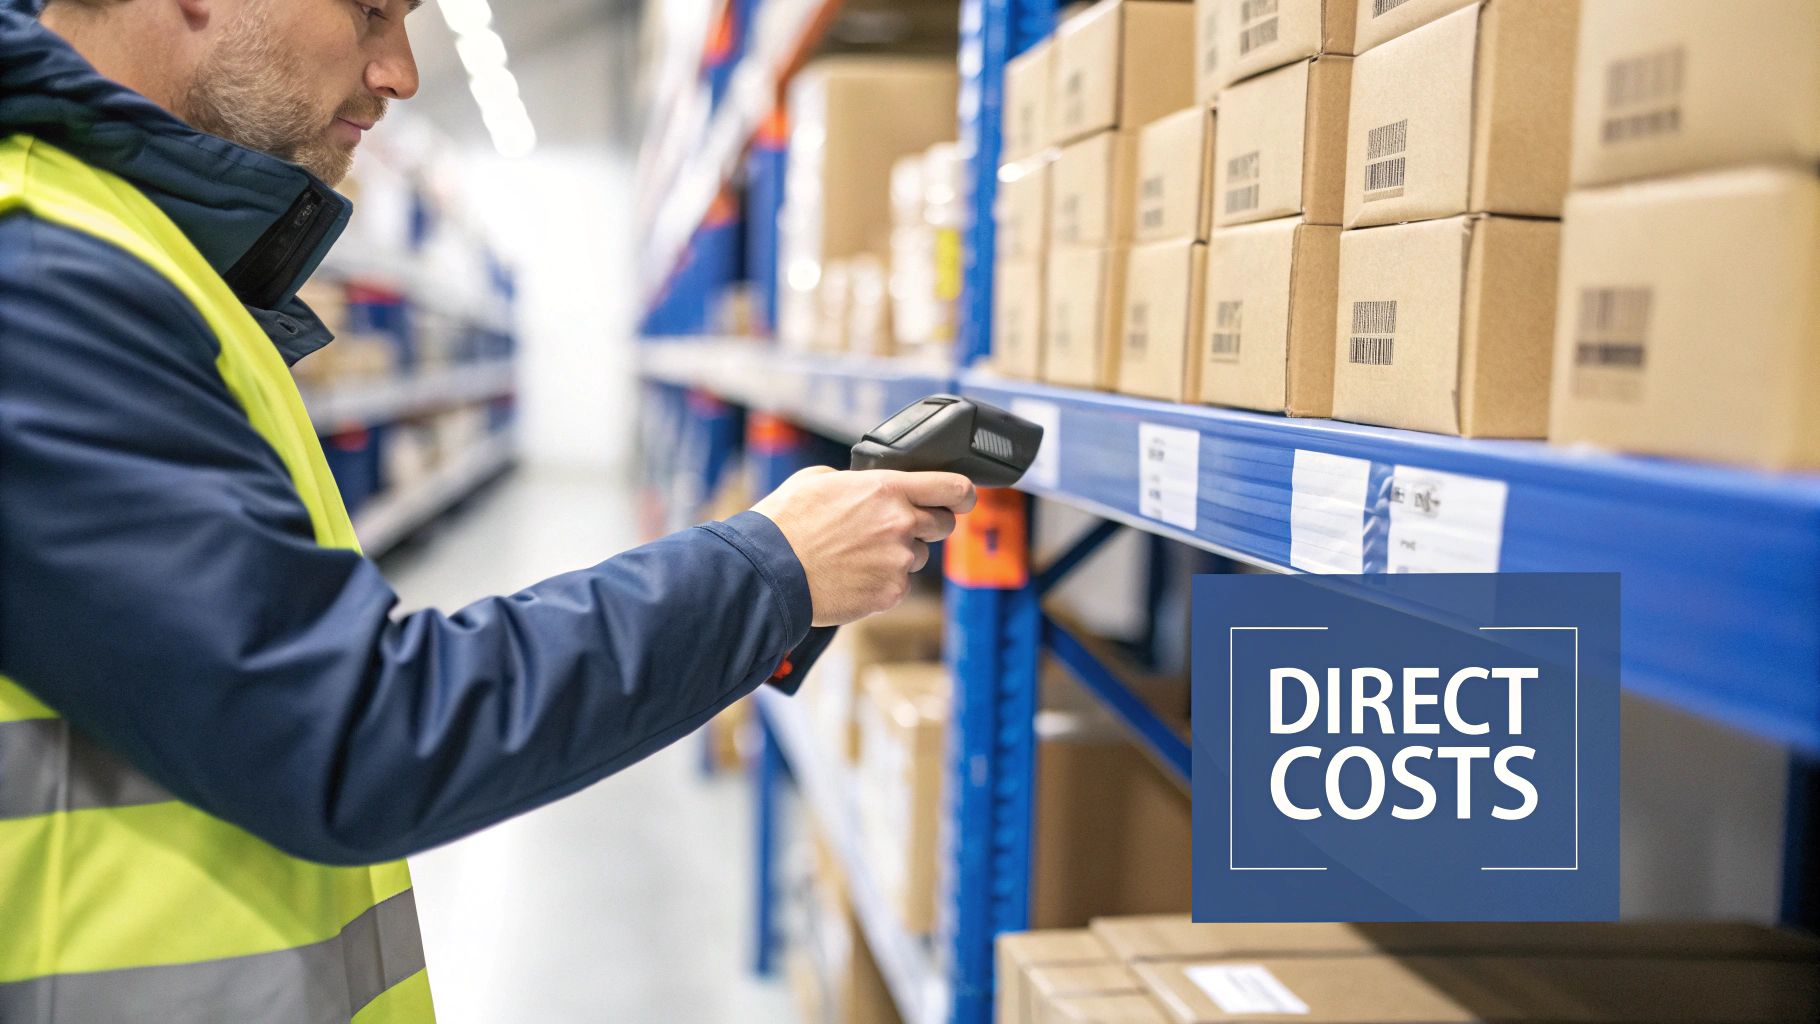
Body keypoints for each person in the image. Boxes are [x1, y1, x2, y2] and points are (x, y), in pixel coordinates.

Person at [0, 0, 976, 1020]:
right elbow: (350, 731)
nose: (401, 71)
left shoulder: (128, 253)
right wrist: (769, 569)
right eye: (370, 11)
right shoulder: (45, 275)